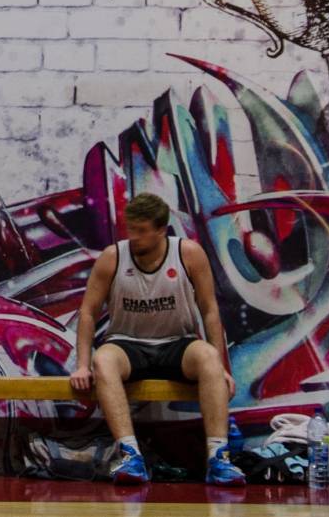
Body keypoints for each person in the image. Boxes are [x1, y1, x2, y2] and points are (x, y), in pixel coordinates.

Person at [70, 192, 246, 485]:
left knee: (208, 357)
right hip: (128, 344)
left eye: (142, 231)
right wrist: (82, 364)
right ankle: (130, 455)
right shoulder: (113, 258)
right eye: (131, 229)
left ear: (161, 230)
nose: (134, 237)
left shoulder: (189, 254)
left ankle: (218, 458)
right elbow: (88, 313)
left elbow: (210, 311)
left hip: (178, 343)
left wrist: (222, 367)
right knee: (104, 359)